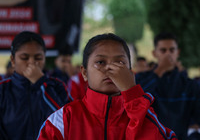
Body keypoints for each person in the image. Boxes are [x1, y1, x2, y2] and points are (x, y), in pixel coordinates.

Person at [37, 33, 177, 140]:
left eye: (120, 62)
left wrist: (133, 95)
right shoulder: (62, 121)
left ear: (130, 71)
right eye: (101, 62)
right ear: (84, 72)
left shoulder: (143, 114)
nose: (110, 68)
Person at [0, 31, 71, 140]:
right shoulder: (3, 90)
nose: (32, 63)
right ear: (13, 60)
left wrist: (40, 82)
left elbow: (66, 122)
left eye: (38, 58)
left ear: (44, 59)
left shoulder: (56, 86)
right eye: (24, 58)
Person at [136, 32, 200, 140]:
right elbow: (136, 101)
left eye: (172, 50)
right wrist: (160, 70)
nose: (168, 54)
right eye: (163, 50)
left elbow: (196, 121)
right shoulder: (141, 78)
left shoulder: (190, 85)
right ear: (154, 53)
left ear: (177, 52)